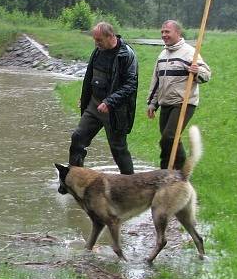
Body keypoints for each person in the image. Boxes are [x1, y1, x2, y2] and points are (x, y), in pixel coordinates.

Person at [68, 21, 138, 174]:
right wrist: (85, 97)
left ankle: (130, 184)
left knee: (118, 149)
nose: (96, 43)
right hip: (94, 105)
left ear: (110, 36)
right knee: (78, 138)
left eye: (99, 40)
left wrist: (109, 102)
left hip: (115, 110)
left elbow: (130, 85)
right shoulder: (98, 50)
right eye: (95, 39)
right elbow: (90, 77)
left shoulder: (127, 55)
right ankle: (74, 178)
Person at [146, 20, 211, 170]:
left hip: (184, 102)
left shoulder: (190, 53)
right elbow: (156, 81)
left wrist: (197, 72)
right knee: (166, 140)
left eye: (167, 32)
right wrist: (152, 103)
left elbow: (206, 74)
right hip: (165, 103)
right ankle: (165, 172)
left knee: (169, 137)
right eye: (162, 32)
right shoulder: (162, 55)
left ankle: (181, 173)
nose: (164, 35)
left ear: (177, 33)